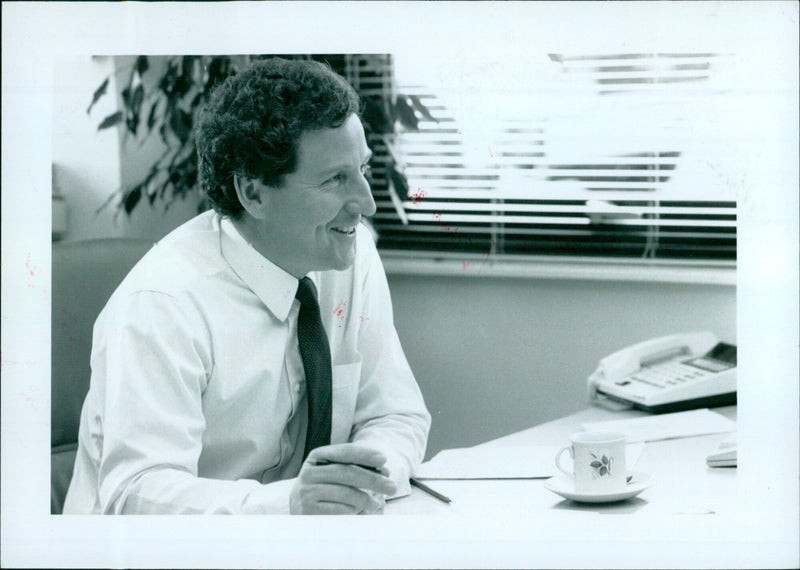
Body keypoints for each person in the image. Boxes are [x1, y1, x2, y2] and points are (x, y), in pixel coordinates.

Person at [63, 57, 431, 515]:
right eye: (335, 179)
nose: (367, 203)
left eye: (363, 169)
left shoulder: (350, 254)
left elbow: (395, 414)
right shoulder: (162, 304)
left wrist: (368, 476)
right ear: (253, 192)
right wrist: (287, 507)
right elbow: (134, 493)